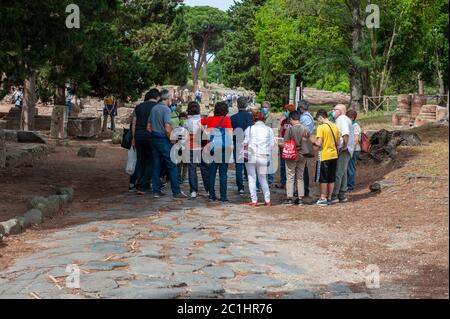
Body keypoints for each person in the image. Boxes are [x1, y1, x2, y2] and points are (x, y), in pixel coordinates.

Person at [148, 89, 186, 199]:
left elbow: (148, 127)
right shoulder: (166, 110)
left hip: (154, 139)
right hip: (163, 140)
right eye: (170, 98)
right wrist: (172, 139)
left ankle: (156, 190)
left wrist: (155, 134)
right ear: (167, 98)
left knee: (156, 165)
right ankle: (176, 191)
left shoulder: (154, 108)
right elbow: (167, 128)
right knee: (172, 165)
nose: (171, 100)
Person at [200, 102, 233, 203]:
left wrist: (205, 132)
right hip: (223, 149)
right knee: (223, 174)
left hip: (212, 149)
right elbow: (230, 133)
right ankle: (223, 196)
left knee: (212, 173)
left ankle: (211, 195)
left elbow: (199, 122)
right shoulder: (226, 119)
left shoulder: (210, 119)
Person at [131, 88, 160, 195]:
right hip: (151, 135)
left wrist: (133, 137)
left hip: (138, 135)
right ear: (157, 97)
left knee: (140, 160)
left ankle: (140, 183)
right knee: (151, 161)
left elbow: (133, 123)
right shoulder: (157, 107)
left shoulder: (138, 107)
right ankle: (143, 185)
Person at [244, 111, 275, 207]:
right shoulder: (269, 129)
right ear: (263, 119)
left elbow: (245, 142)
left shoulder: (249, 129)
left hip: (251, 156)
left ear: (254, 119)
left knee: (251, 178)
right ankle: (267, 199)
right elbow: (272, 144)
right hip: (263, 156)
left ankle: (254, 200)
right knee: (263, 178)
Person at [313, 109, 340, 207]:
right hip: (334, 155)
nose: (318, 122)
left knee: (323, 178)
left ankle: (323, 197)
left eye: (318, 119)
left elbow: (319, 142)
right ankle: (329, 197)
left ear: (321, 117)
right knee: (331, 177)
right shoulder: (335, 127)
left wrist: (312, 143)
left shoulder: (321, 127)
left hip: (324, 155)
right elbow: (337, 142)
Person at [282, 111, 309, 206]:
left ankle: (289, 197)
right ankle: (300, 197)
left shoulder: (290, 129)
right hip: (303, 154)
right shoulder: (305, 129)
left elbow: (285, 141)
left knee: (290, 175)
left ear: (291, 119)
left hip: (292, 154)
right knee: (300, 176)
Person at [330, 104, 354, 204]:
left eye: (334, 109)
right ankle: (342, 194)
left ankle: (334, 195)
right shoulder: (343, 119)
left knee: (338, 173)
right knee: (343, 173)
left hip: (344, 150)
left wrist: (344, 146)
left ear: (339, 111)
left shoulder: (342, 119)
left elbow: (345, 134)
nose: (332, 111)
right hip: (346, 149)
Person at [184, 102, 209, 198]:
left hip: (190, 147)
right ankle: (208, 190)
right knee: (205, 169)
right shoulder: (203, 121)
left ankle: (193, 191)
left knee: (192, 169)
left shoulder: (187, 122)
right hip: (202, 147)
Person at [231, 97, 254, 195]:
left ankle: (240, 187)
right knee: (250, 166)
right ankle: (251, 185)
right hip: (249, 143)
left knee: (238, 167)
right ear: (246, 105)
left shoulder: (233, 117)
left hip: (237, 143)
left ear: (237, 105)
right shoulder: (251, 116)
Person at [275, 104, 296, 189]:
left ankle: (291, 182)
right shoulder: (284, 121)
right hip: (283, 145)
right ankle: (283, 182)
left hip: (291, 146)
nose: (285, 112)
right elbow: (279, 131)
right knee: (283, 165)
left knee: (291, 165)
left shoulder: (295, 122)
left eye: (286, 111)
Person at [298, 99, 315, 198]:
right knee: (303, 167)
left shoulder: (305, 118)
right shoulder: (307, 116)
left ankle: (304, 189)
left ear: (301, 108)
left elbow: (304, 132)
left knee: (303, 167)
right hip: (305, 142)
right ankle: (304, 189)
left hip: (303, 143)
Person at [346, 109, 361, 191]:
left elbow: (356, 140)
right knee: (348, 167)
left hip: (354, 150)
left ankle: (350, 186)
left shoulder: (355, 126)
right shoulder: (349, 125)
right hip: (350, 149)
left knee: (351, 168)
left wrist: (350, 148)